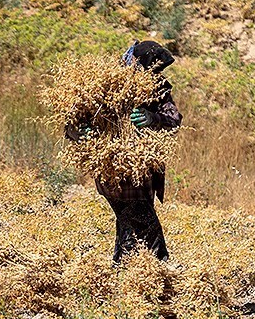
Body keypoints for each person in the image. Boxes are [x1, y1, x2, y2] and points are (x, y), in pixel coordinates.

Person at [66, 39, 182, 264]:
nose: (155, 76)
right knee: (143, 225)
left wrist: (153, 118)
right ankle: (152, 271)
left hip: (142, 172)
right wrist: (82, 131)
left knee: (129, 223)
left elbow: (174, 119)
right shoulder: (103, 86)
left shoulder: (157, 88)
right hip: (113, 172)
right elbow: (70, 125)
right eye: (152, 70)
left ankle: (127, 271)